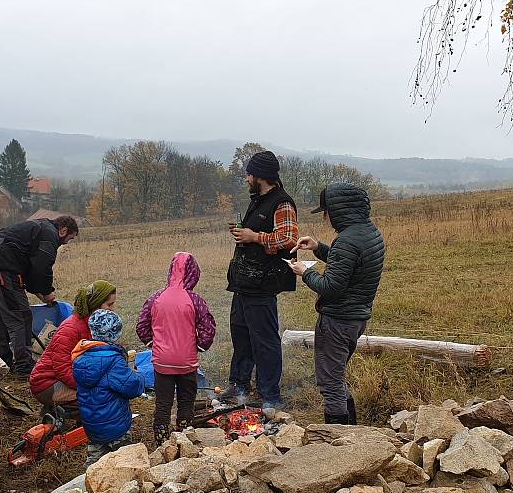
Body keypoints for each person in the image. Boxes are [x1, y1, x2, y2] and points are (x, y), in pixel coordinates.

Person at [290, 183, 385, 425]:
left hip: (337, 321)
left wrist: (304, 272)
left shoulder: (347, 241)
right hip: (356, 318)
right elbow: (350, 264)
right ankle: (351, 431)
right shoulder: (369, 233)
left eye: (327, 210)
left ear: (339, 210)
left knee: (330, 382)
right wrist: (318, 247)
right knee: (337, 375)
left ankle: (339, 441)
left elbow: (331, 287)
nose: (325, 216)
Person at [227, 150, 299, 418]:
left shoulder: (282, 203)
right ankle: (239, 387)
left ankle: (271, 397)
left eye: (249, 174)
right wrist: (242, 232)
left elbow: (290, 239)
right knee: (241, 335)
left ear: (260, 176)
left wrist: (255, 237)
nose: (247, 178)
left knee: (265, 340)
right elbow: (258, 233)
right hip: (244, 281)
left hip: (263, 283)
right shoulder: (259, 199)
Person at [0, 216, 79, 377]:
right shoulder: (50, 235)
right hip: (3, 267)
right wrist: (46, 291)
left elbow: (29, 268)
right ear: (63, 230)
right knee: (21, 316)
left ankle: (2, 361)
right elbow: (41, 267)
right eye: (69, 239)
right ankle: (24, 365)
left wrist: (38, 291)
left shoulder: (40, 227)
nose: (66, 243)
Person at [136, 252, 216, 444]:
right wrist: (199, 346)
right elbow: (208, 328)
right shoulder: (195, 300)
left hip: (162, 362)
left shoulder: (156, 298)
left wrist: (152, 344)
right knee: (186, 402)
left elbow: (142, 326)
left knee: (163, 404)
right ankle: (185, 438)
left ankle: (162, 443)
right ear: (193, 273)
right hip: (186, 362)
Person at [29, 280, 117, 417]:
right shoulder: (70, 329)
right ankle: (57, 415)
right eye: (109, 304)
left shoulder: (93, 326)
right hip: (47, 384)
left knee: (105, 392)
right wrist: (89, 386)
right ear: (95, 304)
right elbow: (61, 369)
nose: (112, 309)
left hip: (65, 379)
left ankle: (63, 412)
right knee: (100, 398)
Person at [72, 309, 145, 467]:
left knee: (96, 462)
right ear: (115, 334)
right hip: (115, 424)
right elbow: (132, 387)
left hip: (92, 426)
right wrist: (138, 376)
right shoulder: (112, 361)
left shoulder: (81, 358)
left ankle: (90, 481)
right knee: (125, 462)